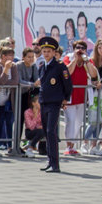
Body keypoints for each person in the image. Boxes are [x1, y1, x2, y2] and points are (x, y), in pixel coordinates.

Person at [37, 36, 72, 173]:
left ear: (54, 53)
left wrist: (65, 99)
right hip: (44, 102)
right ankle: (50, 160)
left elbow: (67, 84)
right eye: (44, 51)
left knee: (52, 131)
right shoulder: (42, 67)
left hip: (54, 102)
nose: (46, 54)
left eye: (49, 51)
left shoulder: (59, 67)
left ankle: (55, 164)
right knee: (46, 132)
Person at [62, 40, 98, 155]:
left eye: (83, 47)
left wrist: (87, 61)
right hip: (70, 96)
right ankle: (68, 145)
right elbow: (67, 72)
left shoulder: (88, 60)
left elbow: (93, 75)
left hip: (82, 97)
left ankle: (73, 145)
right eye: (78, 47)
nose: (80, 49)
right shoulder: (68, 58)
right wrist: (75, 59)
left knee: (78, 122)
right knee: (70, 121)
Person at [0, 47, 18, 155]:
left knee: (1, 123)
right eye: (9, 55)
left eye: (12, 56)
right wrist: (5, 69)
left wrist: (4, 83)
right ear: (3, 56)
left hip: (6, 100)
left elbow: (15, 81)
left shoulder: (14, 66)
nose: (11, 58)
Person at [18, 47, 40, 114]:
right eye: (29, 57)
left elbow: (37, 79)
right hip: (19, 95)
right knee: (20, 116)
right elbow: (19, 81)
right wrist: (33, 84)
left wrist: (38, 81)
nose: (31, 59)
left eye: (32, 57)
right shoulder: (18, 65)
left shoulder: (34, 66)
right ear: (23, 57)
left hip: (29, 95)